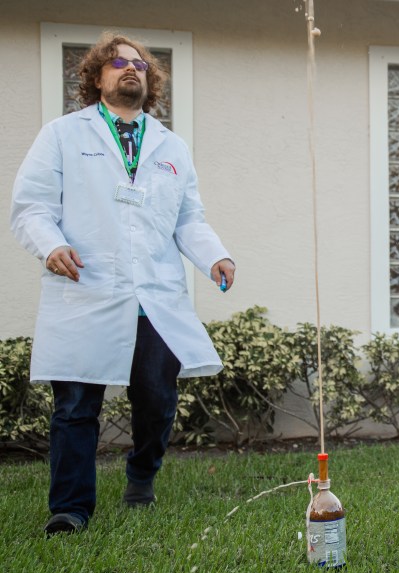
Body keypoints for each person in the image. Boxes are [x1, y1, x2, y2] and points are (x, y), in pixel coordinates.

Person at [10, 33, 236, 535]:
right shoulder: (64, 135)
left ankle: (141, 475)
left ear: (150, 82)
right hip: (87, 290)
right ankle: (70, 508)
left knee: (156, 400)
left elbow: (188, 218)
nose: (130, 68)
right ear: (96, 77)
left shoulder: (171, 146)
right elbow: (32, 206)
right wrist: (50, 245)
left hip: (152, 299)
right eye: (117, 62)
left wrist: (215, 255)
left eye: (139, 64)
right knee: (75, 406)